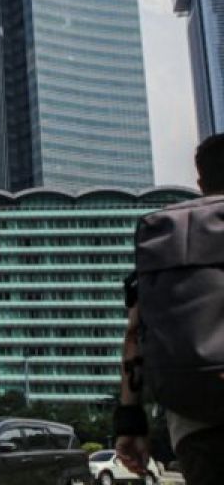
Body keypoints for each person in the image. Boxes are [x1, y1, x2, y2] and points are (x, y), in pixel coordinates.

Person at [116, 132, 224, 484]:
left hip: (195, 417)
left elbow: (135, 335)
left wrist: (131, 422)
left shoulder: (163, 233)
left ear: (200, 181)